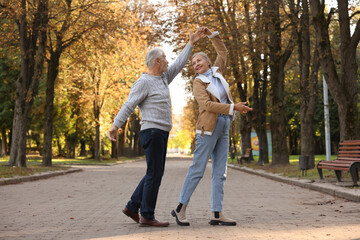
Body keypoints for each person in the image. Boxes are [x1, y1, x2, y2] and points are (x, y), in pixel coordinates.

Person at [108, 29, 205, 227]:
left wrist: (191, 43)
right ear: (157, 62)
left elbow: (178, 64)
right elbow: (129, 105)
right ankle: (147, 215)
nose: (168, 61)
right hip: (152, 132)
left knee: (154, 172)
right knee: (154, 173)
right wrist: (115, 125)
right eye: (165, 59)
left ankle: (132, 206)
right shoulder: (143, 82)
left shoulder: (162, 78)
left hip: (160, 132)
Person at [171, 27, 252, 226]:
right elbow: (206, 105)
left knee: (220, 172)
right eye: (193, 63)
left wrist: (212, 35)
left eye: (199, 60)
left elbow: (222, 52)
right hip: (208, 129)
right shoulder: (199, 82)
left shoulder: (217, 71)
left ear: (207, 62)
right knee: (197, 170)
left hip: (224, 125)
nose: (196, 64)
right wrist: (234, 107)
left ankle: (217, 213)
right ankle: (180, 208)